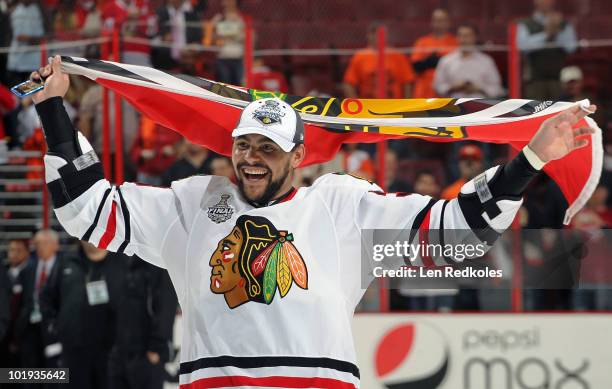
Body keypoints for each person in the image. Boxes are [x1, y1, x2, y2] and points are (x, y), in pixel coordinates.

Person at [31, 55, 596, 388]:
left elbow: (460, 229)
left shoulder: (342, 206)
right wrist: (54, 108)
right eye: (244, 145)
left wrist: (531, 160)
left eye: (268, 149)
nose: (251, 158)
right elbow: (88, 209)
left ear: (298, 156)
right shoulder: (192, 204)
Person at [40, 241, 122, 389]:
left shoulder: (121, 262)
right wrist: (54, 328)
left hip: (111, 353)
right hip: (73, 351)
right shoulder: (66, 261)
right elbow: (47, 298)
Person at [107, 255, 177, 389]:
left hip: (147, 353)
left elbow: (166, 307)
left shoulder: (158, 262)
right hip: (120, 351)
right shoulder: (118, 259)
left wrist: (156, 346)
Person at [13, 229, 61, 374]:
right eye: (37, 243)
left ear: (55, 245)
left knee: (53, 371)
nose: (40, 247)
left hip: (53, 327)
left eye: (45, 243)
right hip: (30, 327)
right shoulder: (27, 270)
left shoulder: (65, 268)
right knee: (29, 372)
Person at [517, 0, 577, 101]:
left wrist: (556, 30)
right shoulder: (525, 24)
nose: (546, 2)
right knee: (535, 112)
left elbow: (571, 47)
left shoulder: (563, 24)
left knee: (559, 110)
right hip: (535, 79)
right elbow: (522, 47)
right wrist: (547, 33)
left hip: (558, 79)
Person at [343, 23, 415, 98]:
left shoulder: (397, 56)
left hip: (394, 105)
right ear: (368, 36)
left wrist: (407, 106)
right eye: (373, 33)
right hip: (369, 105)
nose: (376, 36)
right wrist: (356, 105)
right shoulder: (360, 56)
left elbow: (407, 82)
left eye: (379, 33)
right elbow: (349, 83)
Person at [433, 24, 503, 99]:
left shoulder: (486, 61)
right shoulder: (446, 60)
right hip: (453, 107)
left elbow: (496, 88)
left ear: (475, 37)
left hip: (480, 106)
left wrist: (479, 88)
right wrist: (452, 87)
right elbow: (438, 86)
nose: (463, 40)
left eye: (467, 36)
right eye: (460, 36)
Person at [410, 8, 457, 98]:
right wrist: (428, 62)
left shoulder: (455, 42)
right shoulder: (422, 42)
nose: (438, 23)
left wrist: (440, 62)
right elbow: (415, 66)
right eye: (436, 20)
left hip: (448, 93)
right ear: (431, 22)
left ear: (449, 22)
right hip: (424, 93)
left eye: (442, 20)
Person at [6, 0, 45, 87]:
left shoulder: (39, 10)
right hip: (16, 61)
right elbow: (17, 36)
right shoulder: (14, 10)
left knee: (34, 91)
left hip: (33, 62)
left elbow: (43, 35)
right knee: (16, 93)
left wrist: (30, 38)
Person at [210, 0, 247, 85]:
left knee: (239, 86)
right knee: (225, 86)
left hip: (239, 57)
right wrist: (217, 37)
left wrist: (234, 35)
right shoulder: (218, 18)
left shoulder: (242, 18)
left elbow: (248, 37)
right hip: (223, 57)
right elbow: (210, 37)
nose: (227, 2)